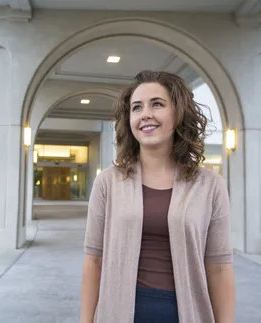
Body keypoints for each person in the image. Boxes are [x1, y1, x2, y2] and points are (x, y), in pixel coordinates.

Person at [80, 70, 235, 323]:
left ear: (178, 113)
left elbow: (219, 268)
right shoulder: (107, 182)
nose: (145, 114)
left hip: (186, 314)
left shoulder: (211, 186)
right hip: (117, 313)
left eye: (157, 104)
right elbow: (94, 261)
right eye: (137, 107)